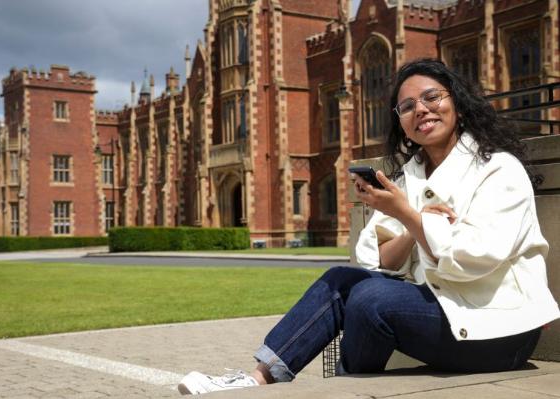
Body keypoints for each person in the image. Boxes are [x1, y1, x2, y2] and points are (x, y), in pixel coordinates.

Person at [177, 58, 560, 395]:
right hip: (447, 314)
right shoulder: (409, 177)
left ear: (457, 103)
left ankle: (346, 390)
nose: (421, 110)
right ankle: (259, 379)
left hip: (500, 330)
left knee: (372, 300)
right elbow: (376, 260)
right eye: (407, 106)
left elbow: (476, 256)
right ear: (401, 122)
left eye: (432, 97)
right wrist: (412, 224)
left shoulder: (497, 168)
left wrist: (408, 214)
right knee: (343, 280)